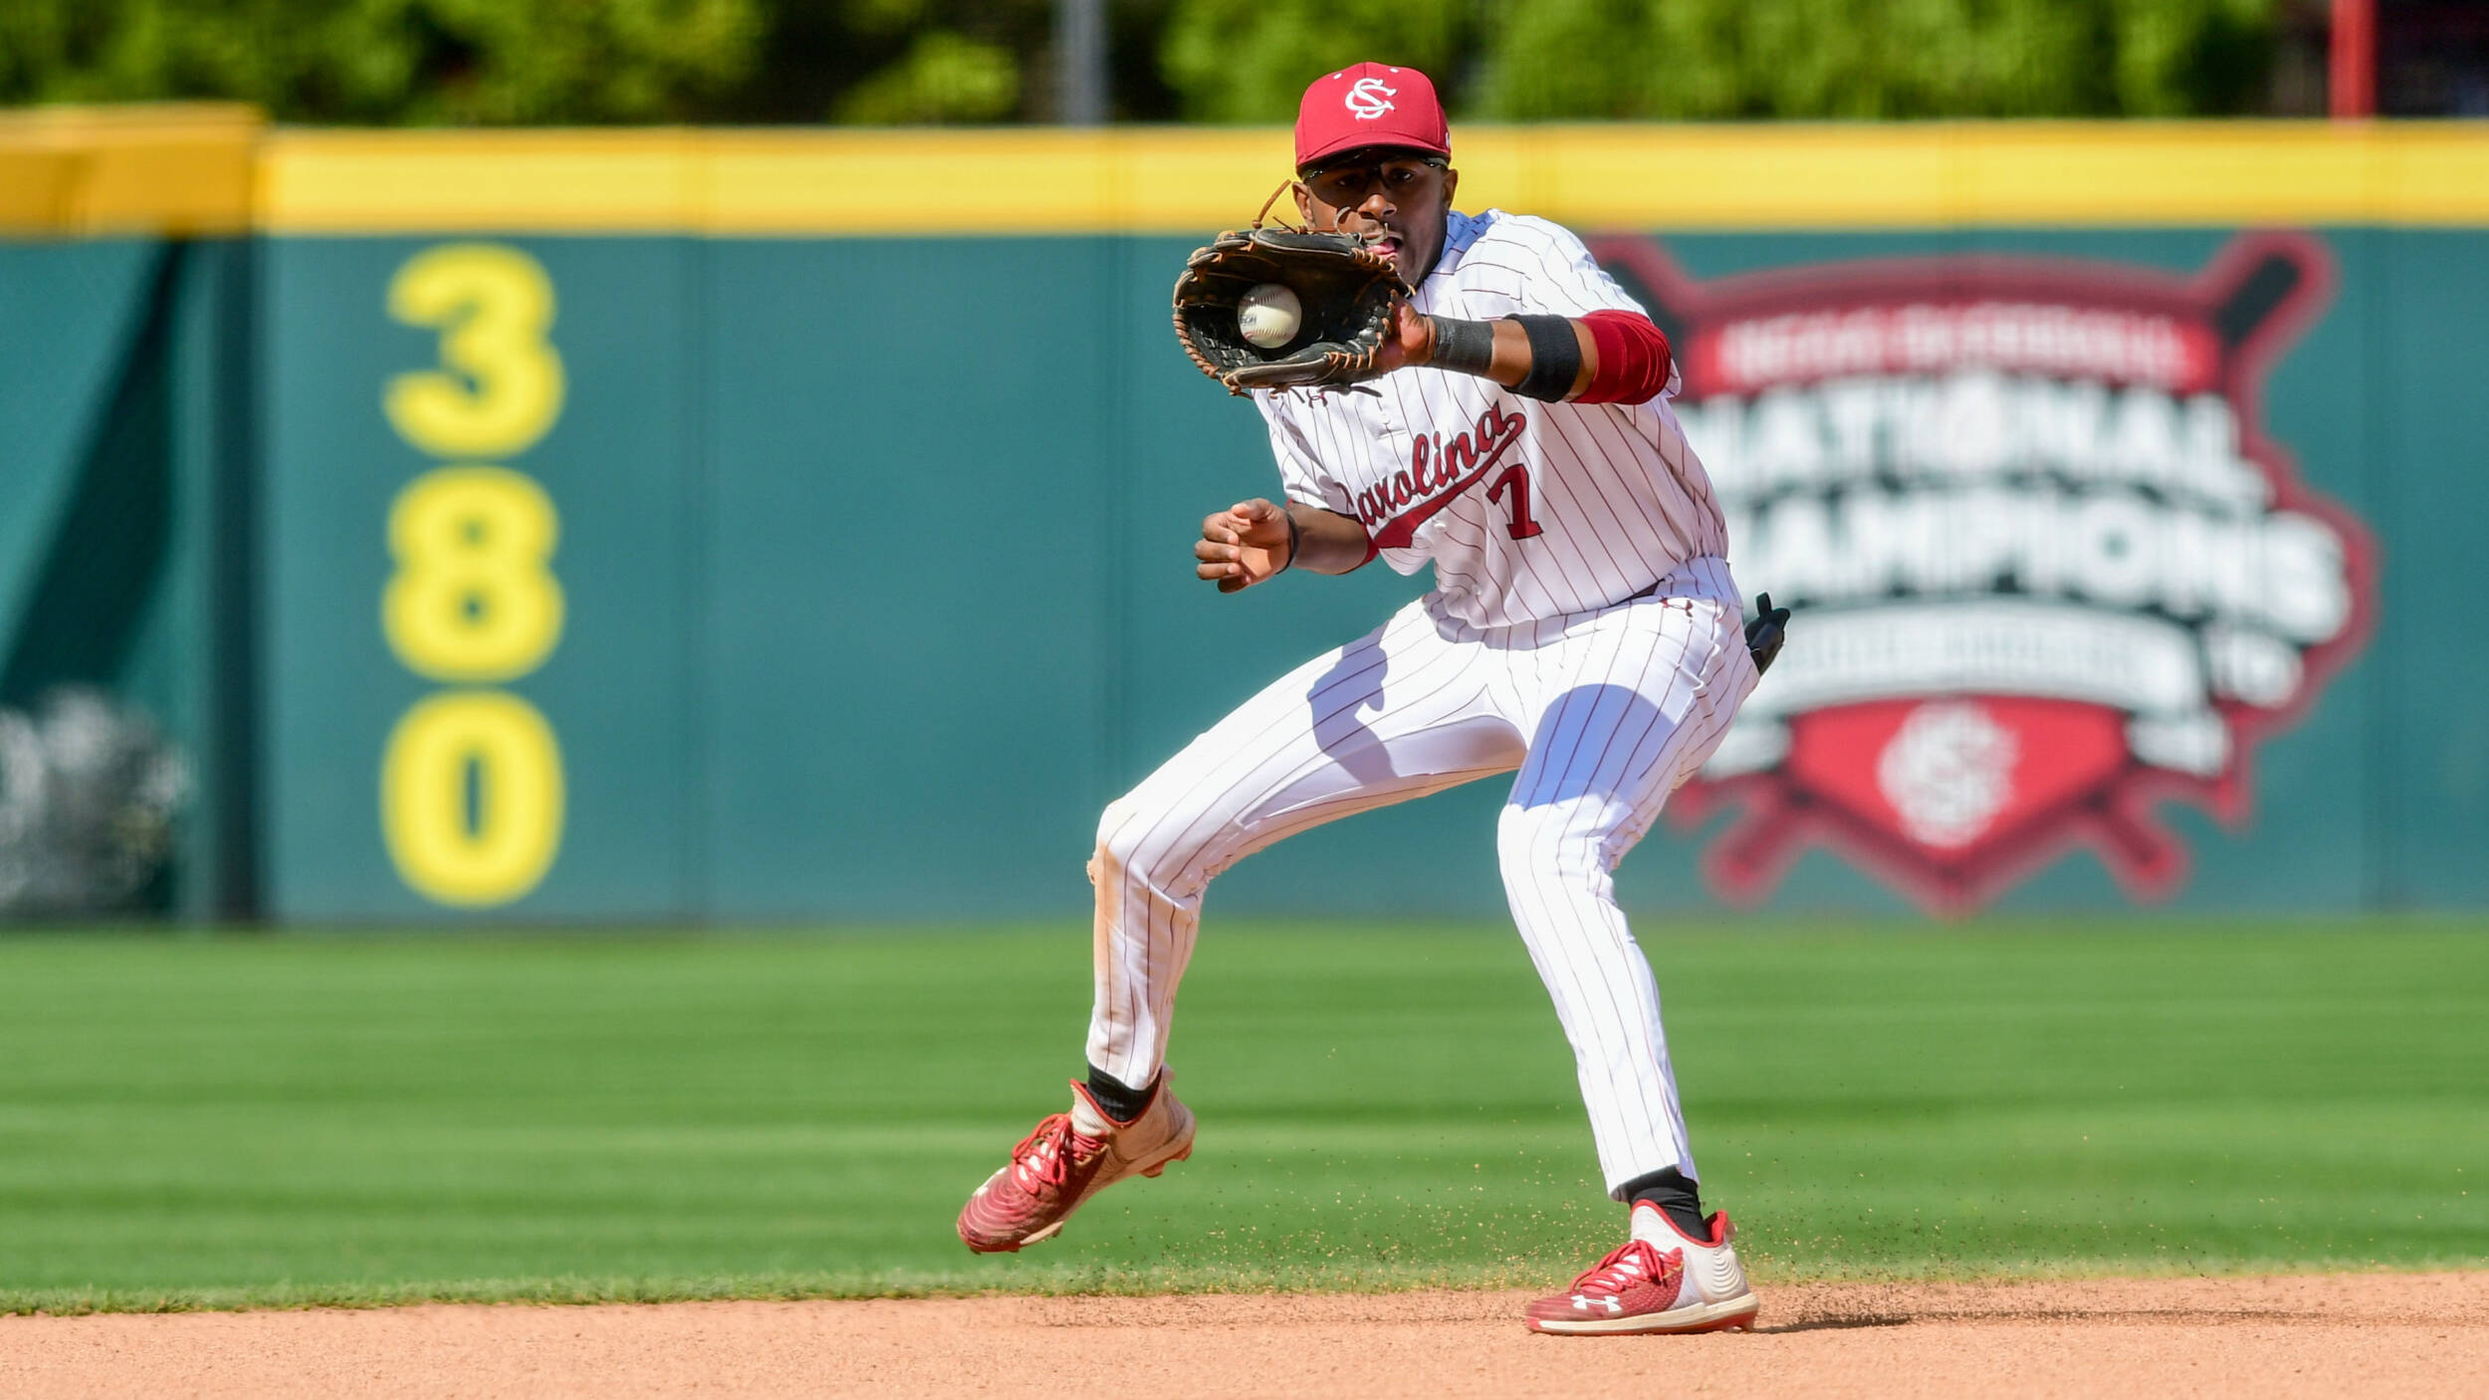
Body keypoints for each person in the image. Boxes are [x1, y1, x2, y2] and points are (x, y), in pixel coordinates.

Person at [957, 60, 1766, 1336]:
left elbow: (1636, 355)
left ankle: (1674, 1236)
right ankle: (1117, 1105)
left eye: (1401, 172)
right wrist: (1290, 535)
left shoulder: (1517, 260)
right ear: (1308, 192)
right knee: (1142, 837)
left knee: (1548, 851)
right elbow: (1374, 530)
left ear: (1448, 180)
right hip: (1466, 633)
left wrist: (1430, 338)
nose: (1376, 199)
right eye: (1348, 177)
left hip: (1651, 611)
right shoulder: (1295, 343)